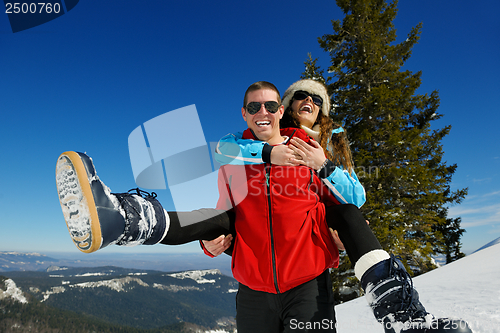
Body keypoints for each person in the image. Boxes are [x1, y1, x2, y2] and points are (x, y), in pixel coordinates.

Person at [202, 79, 472, 333]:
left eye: (317, 99)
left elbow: (351, 201)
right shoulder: (251, 148)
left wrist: (327, 177)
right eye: (301, 95)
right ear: (287, 106)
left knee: (348, 214)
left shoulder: (328, 146)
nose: (309, 100)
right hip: (254, 284)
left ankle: (403, 316)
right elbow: (224, 157)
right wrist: (208, 242)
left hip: (307, 279)